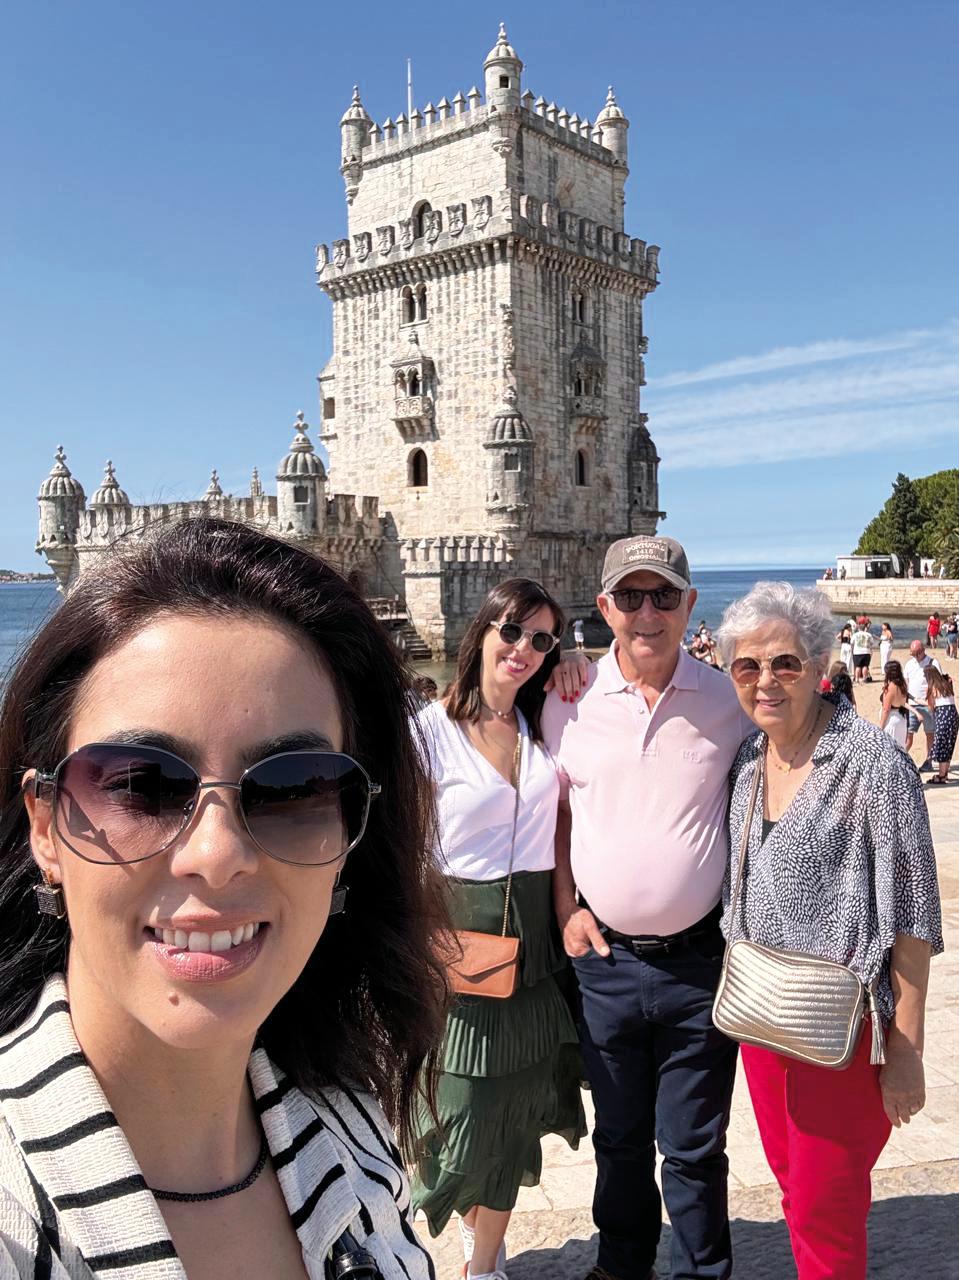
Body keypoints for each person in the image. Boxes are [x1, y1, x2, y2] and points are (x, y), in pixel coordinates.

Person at [0, 518, 446, 1279]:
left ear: (350, 838)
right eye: (140, 784)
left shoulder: (353, 1131)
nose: (217, 856)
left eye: (294, 788)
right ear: (45, 826)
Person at [715, 582, 942, 1280]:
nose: (765, 681)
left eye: (784, 663)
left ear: (819, 662)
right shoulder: (749, 762)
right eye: (746, 667)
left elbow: (910, 919)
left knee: (825, 1208)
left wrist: (904, 1051)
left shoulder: (874, 766)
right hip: (764, 1018)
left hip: (842, 1034)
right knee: (796, 1195)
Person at [544, 535, 752, 1280]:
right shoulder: (566, 701)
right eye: (628, 597)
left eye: (663, 595)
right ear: (602, 608)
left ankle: (704, 1270)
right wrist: (566, 904)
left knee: (695, 1148)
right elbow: (555, 816)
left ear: (689, 604)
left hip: (702, 965)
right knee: (619, 1140)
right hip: (604, 965)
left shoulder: (730, 700)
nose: (646, 613)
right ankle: (621, 1265)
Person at [412, 579, 586, 1280]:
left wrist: (578, 661)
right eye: (512, 631)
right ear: (481, 631)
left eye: (541, 639)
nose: (523, 649)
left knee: (516, 1109)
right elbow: (396, 845)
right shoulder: (427, 731)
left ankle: (483, 1266)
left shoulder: (542, 722)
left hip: (539, 945)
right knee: (458, 1113)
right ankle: (468, 1222)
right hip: (457, 938)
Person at [904, 639, 942, 768]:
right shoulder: (909, 664)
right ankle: (900, 759)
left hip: (927, 705)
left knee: (930, 734)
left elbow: (938, 683)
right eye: (912, 653)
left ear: (923, 650)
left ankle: (928, 761)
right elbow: (906, 683)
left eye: (917, 653)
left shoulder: (933, 663)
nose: (915, 656)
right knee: (908, 734)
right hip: (912, 704)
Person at [925, 667, 957, 785]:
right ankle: (945, 773)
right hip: (953, 713)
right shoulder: (947, 682)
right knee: (949, 743)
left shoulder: (931, 687)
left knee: (941, 745)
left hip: (942, 713)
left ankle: (942, 776)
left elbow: (931, 706)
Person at [879, 659, 910, 750]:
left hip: (891, 720)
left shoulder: (891, 687)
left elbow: (886, 709)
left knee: (889, 750)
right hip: (901, 718)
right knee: (900, 749)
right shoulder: (903, 684)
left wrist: (881, 726)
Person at [851, 616, 874, 684]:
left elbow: (852, 643)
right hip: (866, 651)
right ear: (864, 628)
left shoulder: (855, 635)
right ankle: (864, 679)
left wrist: (852, 650)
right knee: (865, 666)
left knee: (857, 666)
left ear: (859, 628)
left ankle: (857, 679)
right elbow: (872, 643)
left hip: (857, 652)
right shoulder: (868, 634)